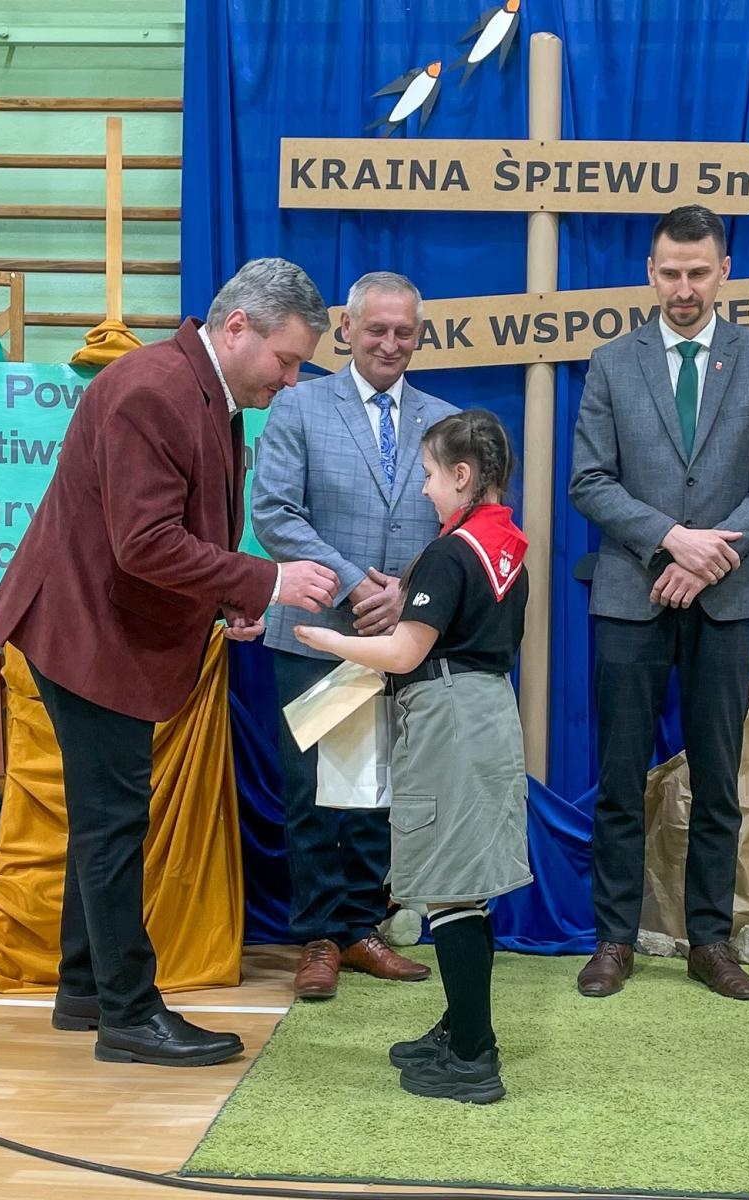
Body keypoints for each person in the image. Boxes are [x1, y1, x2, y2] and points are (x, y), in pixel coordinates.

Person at [0, 258, 342, 1067]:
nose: (289, 382)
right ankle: (129, 1015)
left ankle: (84, 987)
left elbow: (178, 530)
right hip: (83, 629)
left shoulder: (202, 389)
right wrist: (270, 579)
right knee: (113, 823)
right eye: (286, 360)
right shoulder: (154, 389)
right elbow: (142, 543)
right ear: (238, 326)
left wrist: (228, 601)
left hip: (100, 622)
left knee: (104, 819)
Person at [568, 204, 749, 1002]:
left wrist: (710, 556)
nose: (682, 288)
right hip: (629, 597)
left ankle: (710, 939)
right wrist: (672, 539)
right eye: (669, 272)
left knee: (717, 776)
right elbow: (588, 481)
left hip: (725, 599)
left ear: (724, 271)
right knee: (617, 777)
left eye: (697, 272)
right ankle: (612, 938)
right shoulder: (609, 362)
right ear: (649, 272)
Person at [295, 409, 530, 1105]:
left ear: (462, 476)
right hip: (486, 710)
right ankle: (463, 1027)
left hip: (447, 719)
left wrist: (323, 639)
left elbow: (402, 653)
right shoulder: (505, 541)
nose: (425, 490)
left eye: (430, 475)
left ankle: (471, 1058)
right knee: (469, 887)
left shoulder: (448, 553)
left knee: (451, 892)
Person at [251, 270, 457, 1001]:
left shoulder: (443, 420)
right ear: (345, 329)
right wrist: (355, 584)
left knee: (375, 791)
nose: (390, 344)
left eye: (404, 332)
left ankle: (364, 926)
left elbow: (456, 529)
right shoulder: (298, 406)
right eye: (376, 330)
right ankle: (316, 937)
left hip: (400, 637)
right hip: (313, 634)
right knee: (311, 793)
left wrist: (406, 593)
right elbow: (273, 513)